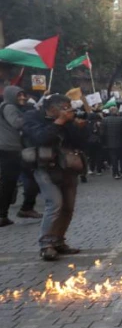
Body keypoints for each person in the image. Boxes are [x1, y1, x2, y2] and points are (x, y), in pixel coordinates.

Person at [22, 94, 84, 261]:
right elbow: (40, 138)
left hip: (68, 166)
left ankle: (58, 241)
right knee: (54, 203)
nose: (68, 110)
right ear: (52, 108)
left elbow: (80, 141)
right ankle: (46, 245)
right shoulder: (33, 117)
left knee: (68, 207)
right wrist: (59, 122)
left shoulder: (68, 121)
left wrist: (75, 125)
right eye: (65, 107)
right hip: (44, 167)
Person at [0, 85, 42, 226]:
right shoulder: (9, 107)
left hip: (12, 148)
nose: (23, 97)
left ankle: (9, 213)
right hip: (10, 149)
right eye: (19, 95)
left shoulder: (9, 107)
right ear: (11, 96)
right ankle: (24, 209)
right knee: (26, 178)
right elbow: (17, 123)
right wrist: (29, 116)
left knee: (11, 182)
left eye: (23, 95)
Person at [101, 107, 122, 179]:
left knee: (114, 159)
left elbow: (102, 133)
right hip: (121, 142)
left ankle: (115, 173)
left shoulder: (104, 120)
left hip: (110, 143)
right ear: (117, 112)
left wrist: (104, 142)